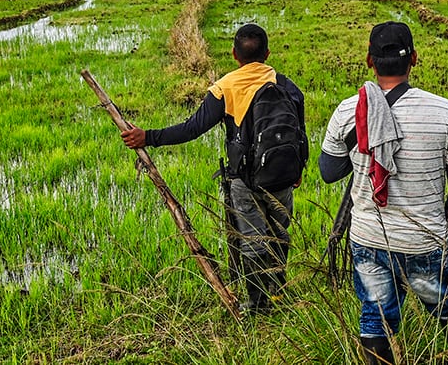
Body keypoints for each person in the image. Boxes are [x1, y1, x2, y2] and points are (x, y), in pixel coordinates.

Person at [120, 23, 307, 314]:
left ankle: (258, 306)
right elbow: (300, 130)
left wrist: (149, 137)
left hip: (245, 180)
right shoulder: (285, 84)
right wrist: (299, 170)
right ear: (268, 53)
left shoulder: (226, 87)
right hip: (284, 177)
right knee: (279, 234)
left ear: (234, 54)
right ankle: (278, 294)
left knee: (253, 241)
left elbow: (192, 128)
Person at [319, 21, 448, 365]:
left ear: (369, 61)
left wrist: (362, 145)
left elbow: (329, 173)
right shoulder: (444, 111)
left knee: (375, 319)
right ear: (414, 59)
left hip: (369, 240)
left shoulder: (349, 111)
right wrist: (442, 230)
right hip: (425, 240)